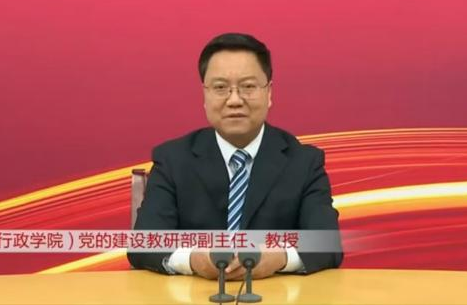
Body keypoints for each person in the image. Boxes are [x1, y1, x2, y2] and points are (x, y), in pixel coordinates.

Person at [127, 33, 343, 279]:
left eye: (248, 87)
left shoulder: (304, 162)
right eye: (220, 88)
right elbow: (144, 243)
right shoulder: (173, 160)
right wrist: (193, 260)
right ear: (205, 95)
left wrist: (279, 258)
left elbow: (327, 242)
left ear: (269, 93)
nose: (234, 100)